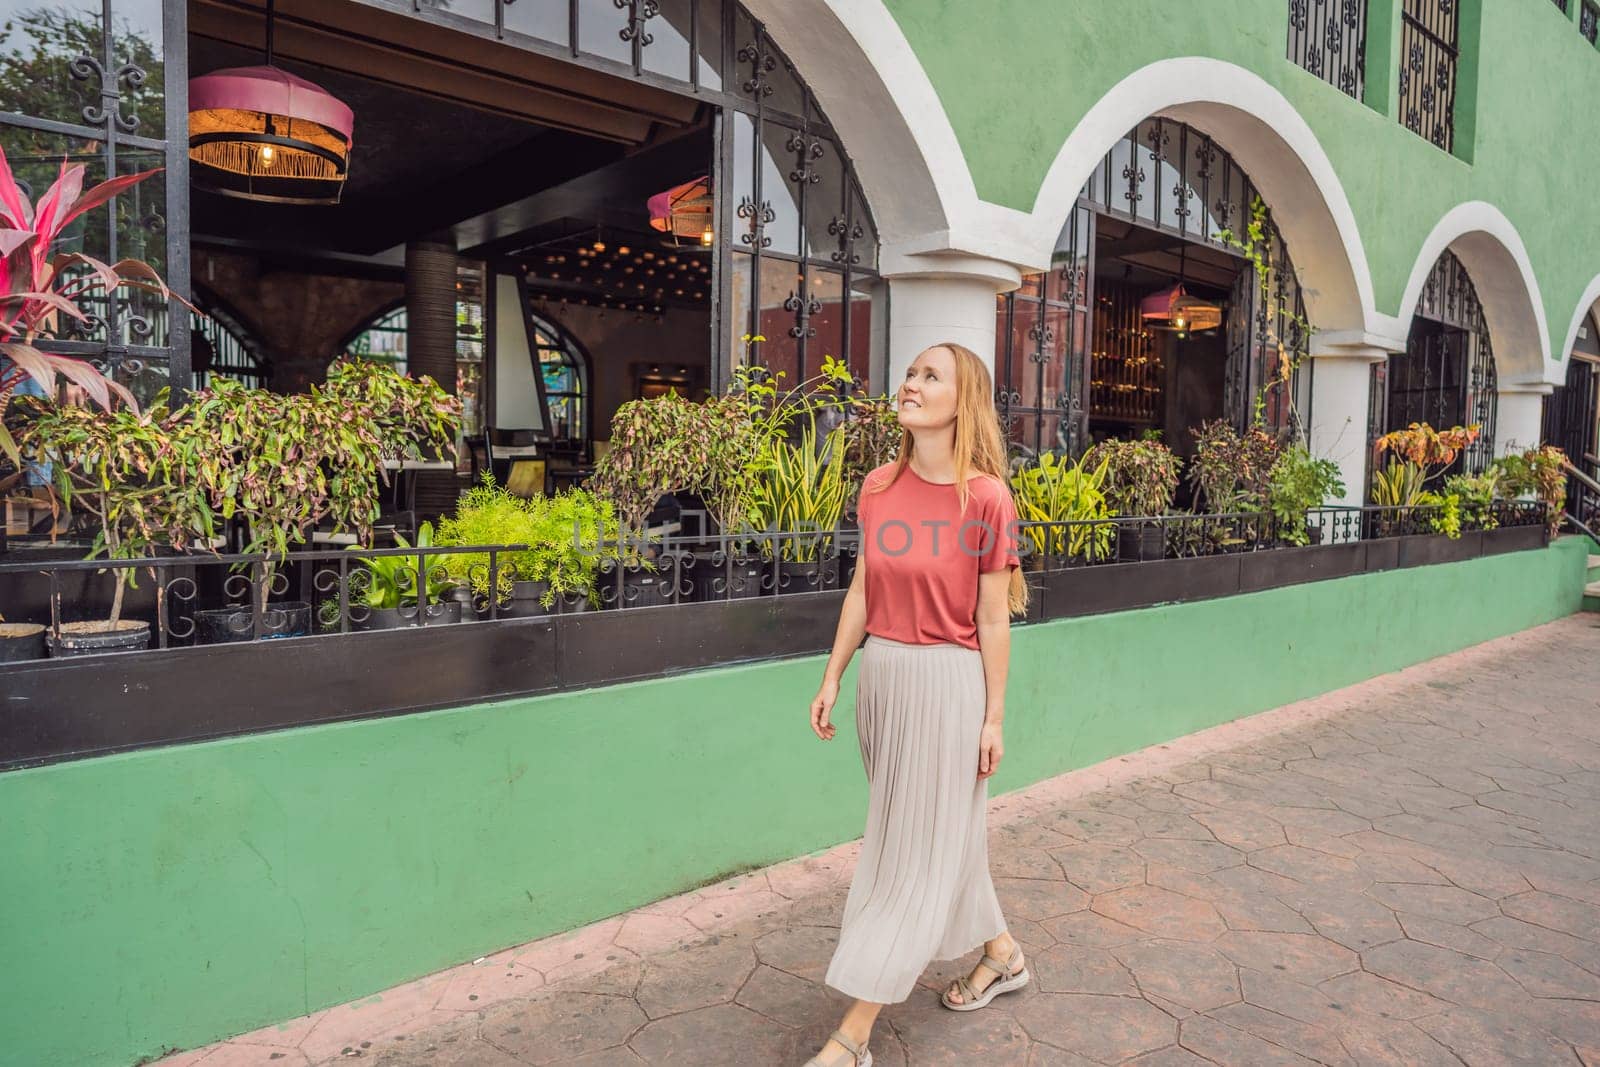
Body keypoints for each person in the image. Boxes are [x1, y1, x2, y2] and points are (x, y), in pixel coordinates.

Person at [803, 342, 1031, 1067]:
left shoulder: (987, 497)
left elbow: (993, 617)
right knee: (938, 837)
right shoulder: (877, 487)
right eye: (909, 371)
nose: (910, 382)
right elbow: (864, 590)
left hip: (949, 687)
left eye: (930, 375)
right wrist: (834, 674)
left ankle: (854, 1034)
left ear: (961, 402)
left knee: (909, 859)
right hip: (885, 683)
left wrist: (994, 715)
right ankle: (1004, 954)